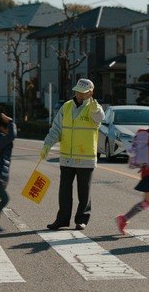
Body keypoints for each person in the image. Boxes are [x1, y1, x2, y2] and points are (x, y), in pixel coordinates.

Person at [41, 79, 105, 231]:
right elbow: (56, 128)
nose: (78, 94)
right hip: (66, 158)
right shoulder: (67, 106)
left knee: (84, 193)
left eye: (82, 92)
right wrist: (47, 144)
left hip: (85, 159)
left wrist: (96, 110)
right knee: (64, 192)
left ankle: (82, 220)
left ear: (90, 93)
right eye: (77, 91)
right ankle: (62, 220)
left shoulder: (94, 108)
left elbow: (100, 119)